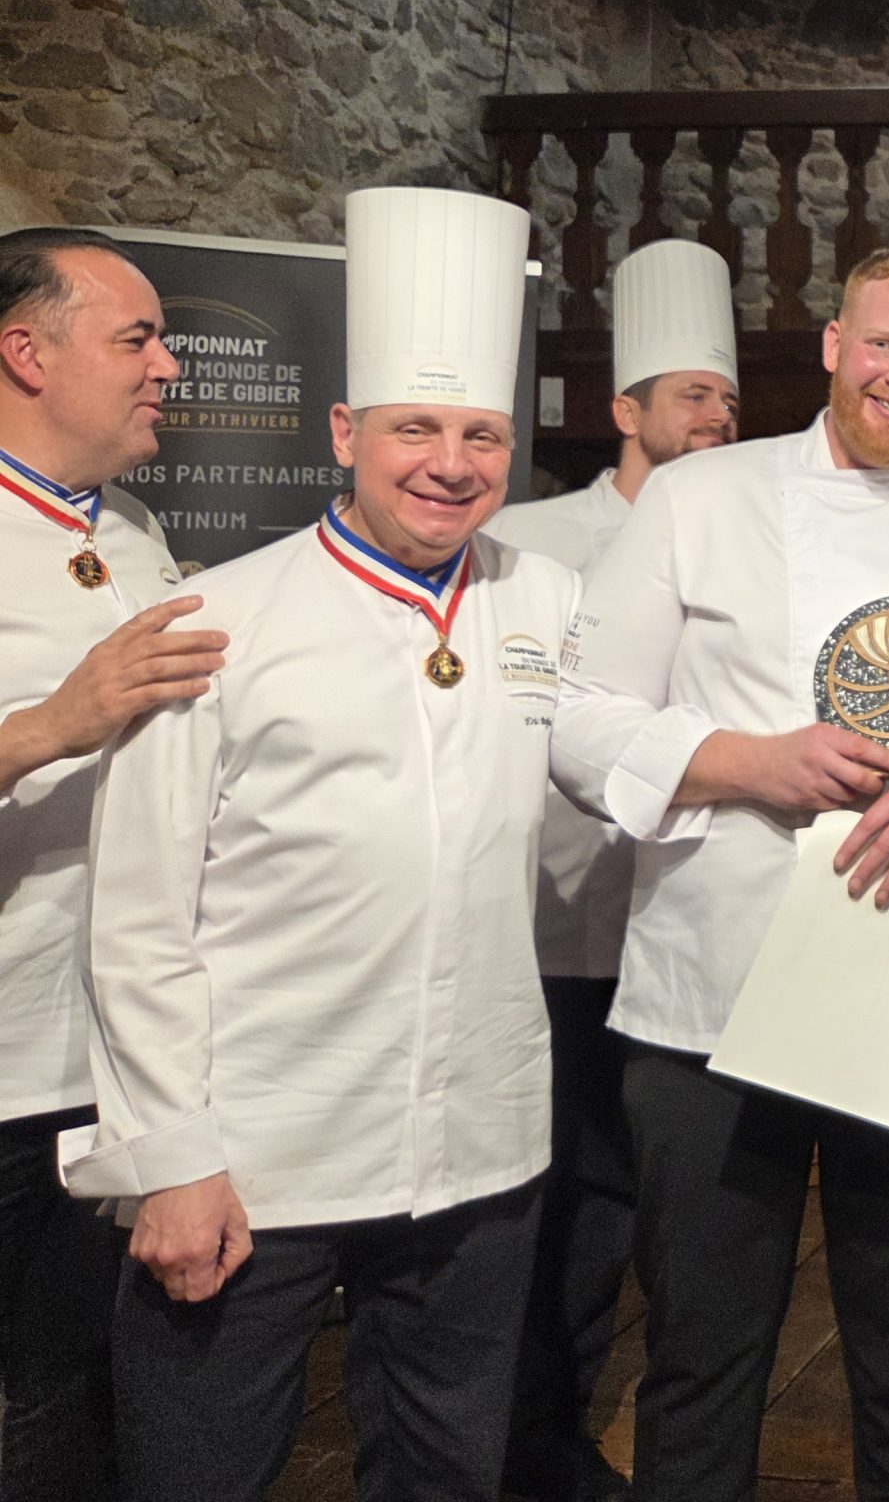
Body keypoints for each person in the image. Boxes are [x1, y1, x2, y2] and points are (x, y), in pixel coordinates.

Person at [549, 243, 889, 1502]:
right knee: (701, 1351)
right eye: (884, 346)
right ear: (835, 348)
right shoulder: (699, 500)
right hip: (714, 991)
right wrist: (748, 762)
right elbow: (579, 719)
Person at [67, 189, 577, 1500]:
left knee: (447, 1465)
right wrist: (172, 1162)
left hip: (480, 1144)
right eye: (416, 428)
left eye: (480, 434)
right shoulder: (217, 620)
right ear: (346, 432)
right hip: (258, 1152)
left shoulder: (551, 601)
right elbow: (133, 920)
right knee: (202, 1467)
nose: (450, 464)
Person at [483, 236, 740, 1502]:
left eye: (730, 399)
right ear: (622, 409)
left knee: (665, 1221)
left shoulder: (746, 533)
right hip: (550, 926)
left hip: (682, 934)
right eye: (692, 393)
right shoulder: (526, 538)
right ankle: (536, 1445)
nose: (716, 417)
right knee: (553, 1212)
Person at [0, 228, 219, 1502]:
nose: (169, 365)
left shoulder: (131, 528)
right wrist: (50, 728)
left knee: (80, 1397)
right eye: (137, 338)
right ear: (26, 351)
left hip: (111, 1061)